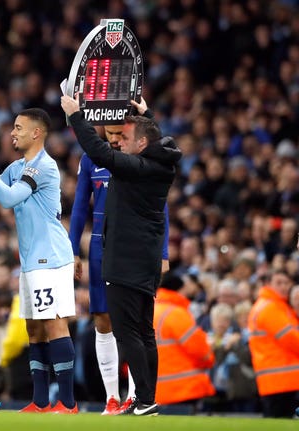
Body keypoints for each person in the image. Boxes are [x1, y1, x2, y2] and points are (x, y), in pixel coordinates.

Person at [61, 94, 181, 416]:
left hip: (125, 258)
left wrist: (75, 117)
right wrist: (148, 115)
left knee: (128, 333)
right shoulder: (161, 161)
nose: (118, 142)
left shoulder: (135, 166)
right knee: (144, 331)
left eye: (125, 138)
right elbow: (152, 139)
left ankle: (141, 398)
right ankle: (145, 399)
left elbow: (101, 153)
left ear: (141, 144)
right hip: (142, 258)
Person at [0, 108, 78, 414]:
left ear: (36, 133)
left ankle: (68, 404)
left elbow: (8, 199)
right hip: (31, 262)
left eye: (18, 128)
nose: (12, 133)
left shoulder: (43, 167)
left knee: (55, 326)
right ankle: (41, 402)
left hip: (51, 258)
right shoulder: (18, 166)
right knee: (34, 329)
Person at [153, 272, 215, 407]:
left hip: (155, 389)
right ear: (180, 290)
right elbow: (200, 350)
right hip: (183, 387)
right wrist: (209, 358)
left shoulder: (150, 312)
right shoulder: (176, 314)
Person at [247, 269, 299, 418]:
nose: (283, 286)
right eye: (278, 283)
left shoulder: (273, 306)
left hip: (277, 379)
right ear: (268, 284)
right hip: (281, 379)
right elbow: (291, 339)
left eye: (286, 283)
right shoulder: (271, 307)